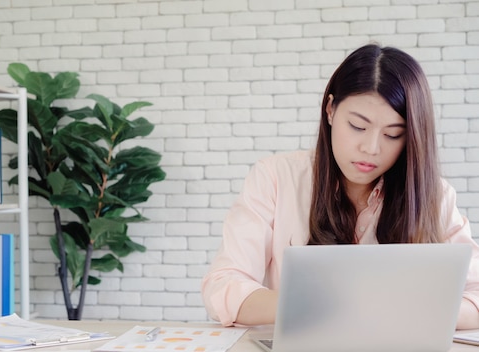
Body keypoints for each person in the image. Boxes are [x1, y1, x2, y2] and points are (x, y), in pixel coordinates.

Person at [201, 43, 479, 330]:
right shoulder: (275, 178)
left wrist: (403, 311)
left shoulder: (434, 196)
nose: (371, 148)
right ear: (331, 110)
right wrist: (317, 305)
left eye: (393, 134)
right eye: (358, 126)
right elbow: (223, 285)